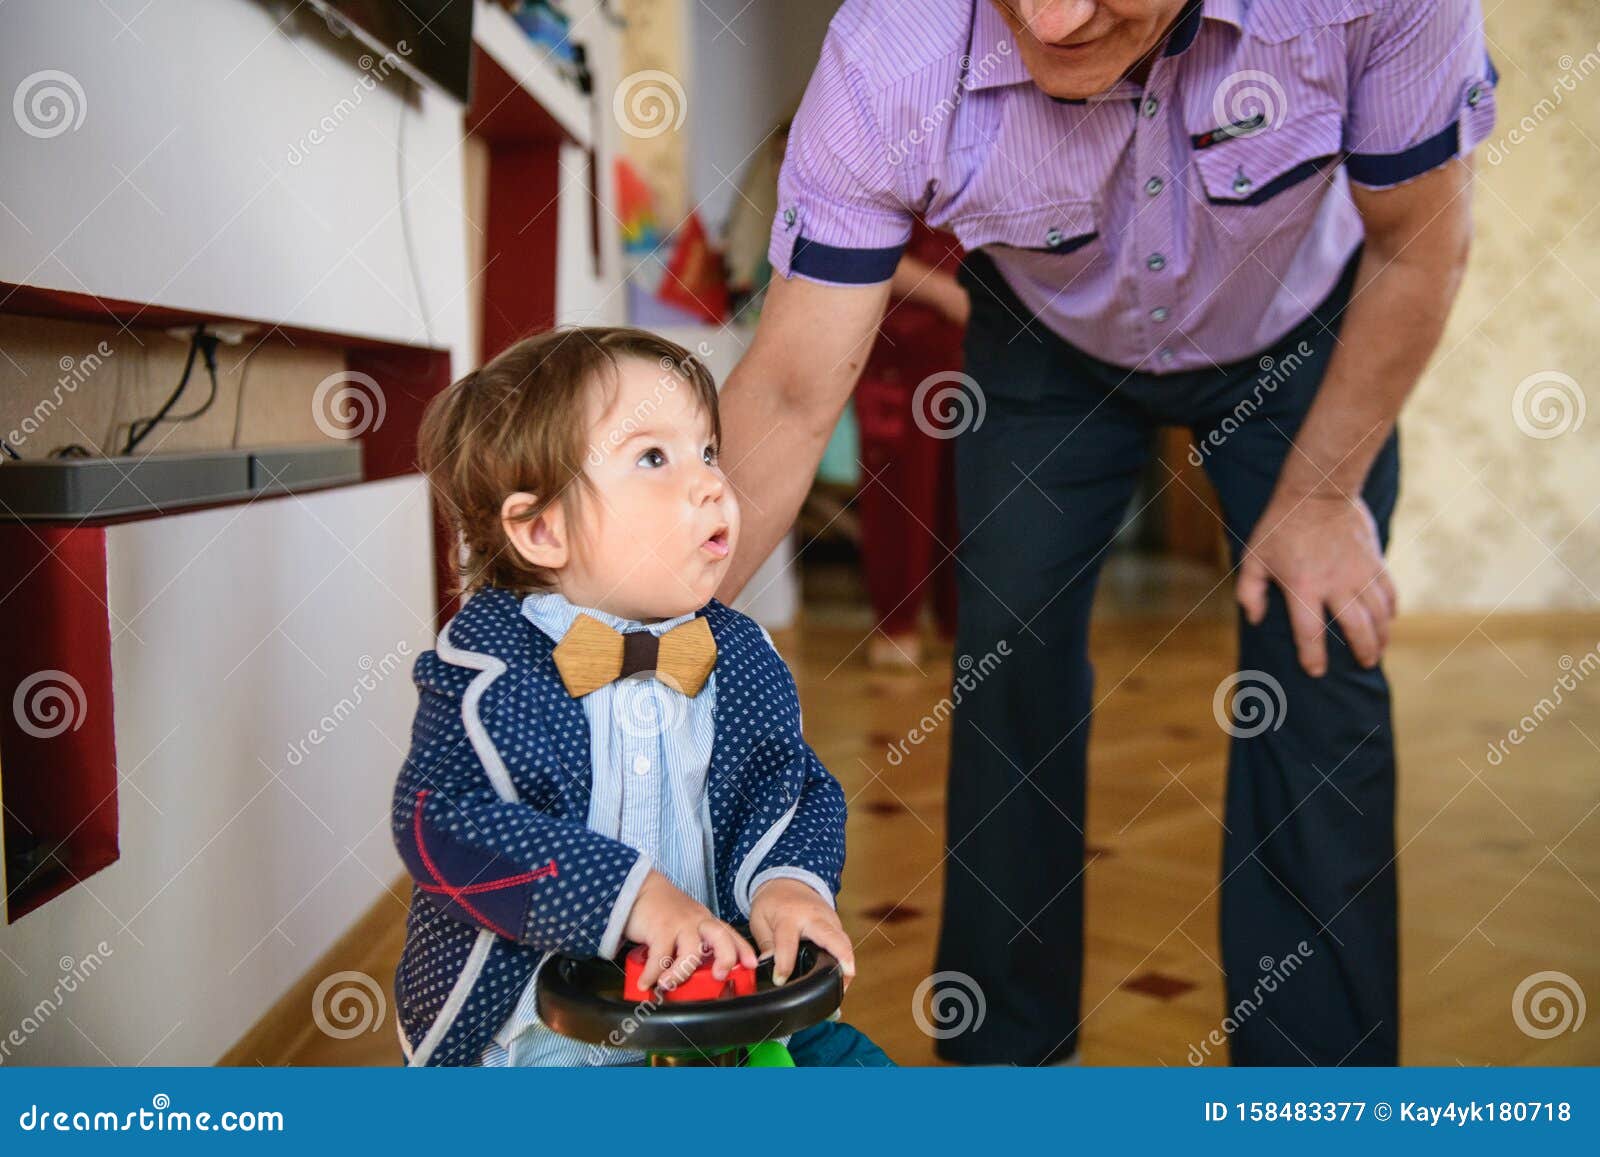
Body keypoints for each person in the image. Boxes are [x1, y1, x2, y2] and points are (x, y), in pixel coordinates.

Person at [714, 0, 1497, 1066]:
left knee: (1319, 658)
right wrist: (655, 627)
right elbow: (797, 389)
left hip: (1300, 334)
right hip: (1046, 342)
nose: (1055, 18)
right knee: (1005, 660)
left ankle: (1322, 1100)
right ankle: (1006, 1071)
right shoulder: (891, 45)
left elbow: (1417, 243)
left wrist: (1319, 500)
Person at [390, 327, 890, 1067]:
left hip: (719, 1013)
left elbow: (790, 786)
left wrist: (786, 882)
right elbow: (443, 824)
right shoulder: (491, 667)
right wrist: (629, 897)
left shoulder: (740, 656)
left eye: (708, 451)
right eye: (654, 456)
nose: (712, 482)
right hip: (543, 1041)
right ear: (542, 528)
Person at [856, 224, 966, 669]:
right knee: (900, 486)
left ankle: (960, 622)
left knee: (969, 487)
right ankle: (897, 621)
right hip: (900, 341)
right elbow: (857, 239)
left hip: (975, 339)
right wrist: (944, 293)